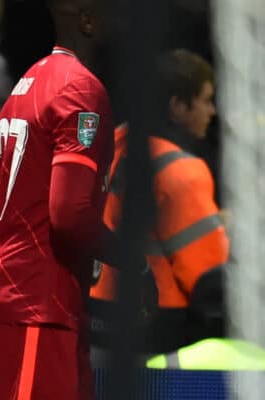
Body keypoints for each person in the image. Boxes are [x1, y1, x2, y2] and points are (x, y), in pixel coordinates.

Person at [0, 0, 120, 398]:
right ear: (88, 20)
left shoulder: (28, 83)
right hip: (38, 300)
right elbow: (69, 215)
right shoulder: (81, 89)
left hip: (26, 296)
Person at [90, 49, 228, 353]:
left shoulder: (111, 145)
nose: (212, 111)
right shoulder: (181, 171)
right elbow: (210, 283)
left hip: (95, 325)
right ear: (178, 106)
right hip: (161, 337)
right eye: (206, 100)